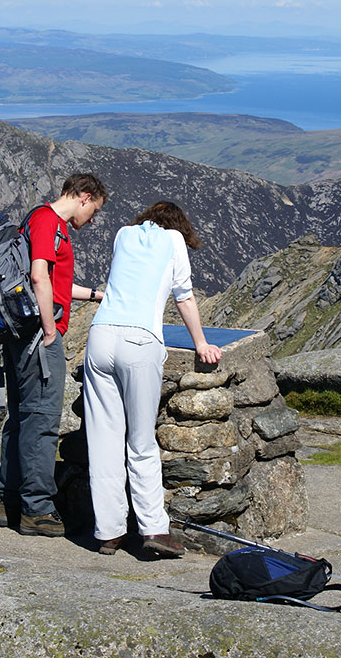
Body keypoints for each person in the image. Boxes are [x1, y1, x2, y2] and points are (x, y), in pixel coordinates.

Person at [83, 200, 222, 556]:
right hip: (139, 340)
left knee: (103, 441)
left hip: (100, 336)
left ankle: (108, 532)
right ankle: (154, 530)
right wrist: (202, 343)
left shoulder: (123, 234)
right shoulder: (174, 241)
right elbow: (184, 298)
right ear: (179, 225)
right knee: (141, 443)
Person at [0, 173, 107, 537]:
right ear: (85, 197)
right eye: (94, 212)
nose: (90, 222)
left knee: (20, 417)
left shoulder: (35, 218)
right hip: (37, 338)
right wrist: (48, 330)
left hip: (19, 336)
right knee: (42, 421)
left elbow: (55, 282)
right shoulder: (49, 222)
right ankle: (38, 509)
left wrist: (94, 295)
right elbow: (39, 276)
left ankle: (8, 501)